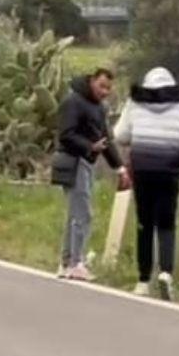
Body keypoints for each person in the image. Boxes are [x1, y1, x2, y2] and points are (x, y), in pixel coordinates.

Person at [113, 67, 179, 301]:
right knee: (166, 223)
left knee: (144, 224)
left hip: (142, 169)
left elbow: (121, 135)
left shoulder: (135, 103)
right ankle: (166, 274)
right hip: (169, 170)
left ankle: (143, 280)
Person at [52, 68, 130, 281]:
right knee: (83, 214)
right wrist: (89, 146)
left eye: (108, 88)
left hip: (86, 162)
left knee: (74, 215)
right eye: (101, 86)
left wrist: (119, 167)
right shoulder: (73, 102)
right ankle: (77, 262)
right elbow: (66, 135)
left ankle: (66, 262)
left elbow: (106, 140)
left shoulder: (99, 108)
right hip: (73, 161)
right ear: (92, 81)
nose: (104, 91)